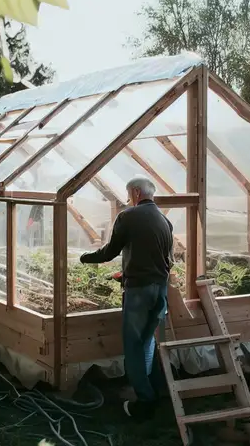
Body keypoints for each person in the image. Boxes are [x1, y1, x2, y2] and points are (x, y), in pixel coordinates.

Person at [80, 176, 174, 421]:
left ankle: (145, 401)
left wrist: (84, 258)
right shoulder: (165, 221)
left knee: (133, 345)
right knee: (148, 342)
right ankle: (159, 390)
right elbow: (162, 259)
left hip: (139, 291)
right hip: (160, 289)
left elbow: (110, 252)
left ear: (135, 192)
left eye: (127, 193)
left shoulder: (128, 216)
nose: (127, 198)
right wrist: (126, 274)